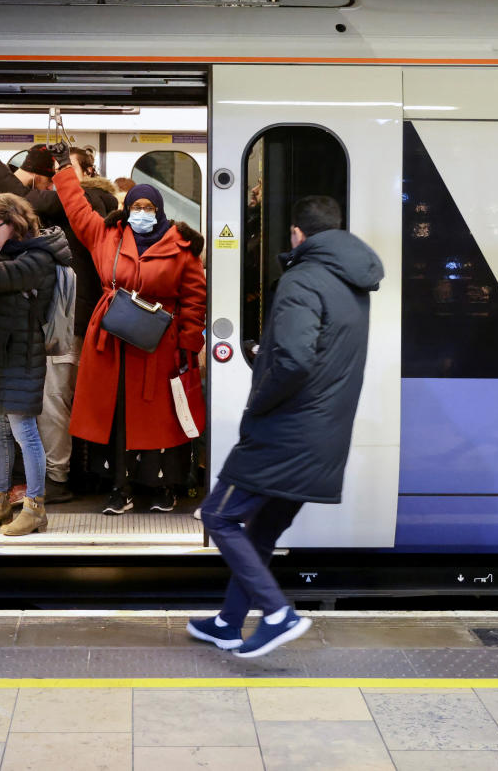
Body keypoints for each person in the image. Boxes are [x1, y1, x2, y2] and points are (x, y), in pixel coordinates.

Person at [188, 196, 384, 658]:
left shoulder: (301, 280)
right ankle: (227, 623)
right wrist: (265, 356)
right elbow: (320, 353)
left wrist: (260, 400)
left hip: (286, 430)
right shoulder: (351, 282)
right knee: (260, 533)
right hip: (324, 432)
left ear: (297, 234)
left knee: (219, 515)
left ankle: (278, 614)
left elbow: (295, 361)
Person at [54, 155, 206, 515]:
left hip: (160, 345)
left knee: (161, 420)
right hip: (112, 343)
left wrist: (189, 344)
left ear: (160, 210)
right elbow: (76, 209)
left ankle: (161, 488)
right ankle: (119, 488)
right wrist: (64, 169)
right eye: (136, 206)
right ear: (126, 209)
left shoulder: (182, 247)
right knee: (117, 416)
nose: (142, 212)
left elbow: (194, 300)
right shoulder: (106, 234)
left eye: (149, 207)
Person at [0, 146, 118, 504]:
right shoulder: (76, 204)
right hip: (61, 318)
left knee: (52, 400)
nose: (56, 177)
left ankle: (55, 477)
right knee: (44, 402)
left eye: (63, 168)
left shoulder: (88, 199)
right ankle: (43, 477)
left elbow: (23, 199)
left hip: (66, 319)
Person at [0, 193, 73, 536]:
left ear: (13, 222)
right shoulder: (15, 253)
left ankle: (35, 508)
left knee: (23, 433)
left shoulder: (39, 257)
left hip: (21, 354)